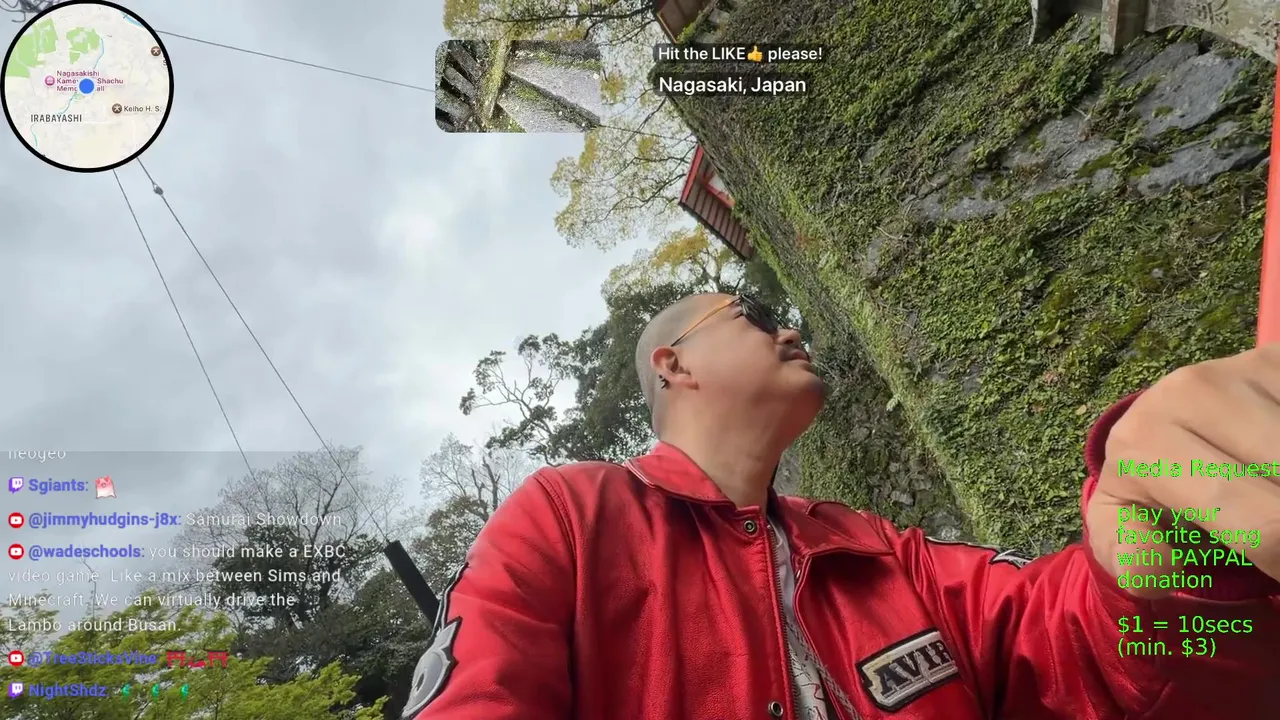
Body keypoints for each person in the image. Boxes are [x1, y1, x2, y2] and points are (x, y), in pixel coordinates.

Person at [404, 292, 1280, 719]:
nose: (789, 328)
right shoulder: (567, 517)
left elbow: (1076, 652)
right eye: (752, 314)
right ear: (675, 365)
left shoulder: (880, 551)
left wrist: (1165, 551)